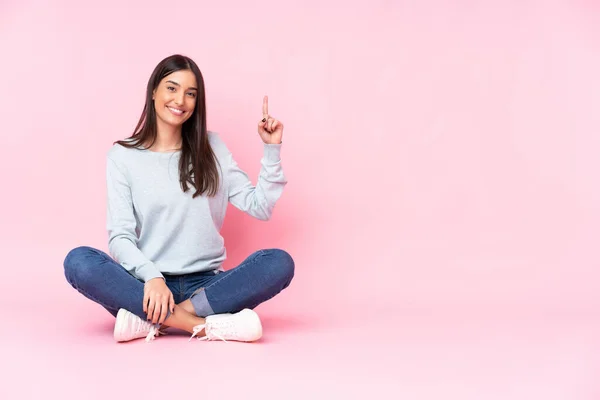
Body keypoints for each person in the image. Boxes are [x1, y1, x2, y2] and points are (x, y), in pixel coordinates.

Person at [63, 54, 294, 343]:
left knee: (278, 263)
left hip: (207, 287)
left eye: (190, 93)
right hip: (147, 285)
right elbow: (121, 236)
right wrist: (153, 278)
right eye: (172, 88)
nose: (180, 100)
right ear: (154, 92)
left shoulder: (212, 147)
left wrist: (271, 150)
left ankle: (155, 321)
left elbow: (259, 206)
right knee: (79, 261)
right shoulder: (123, 157)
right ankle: (205, 326)